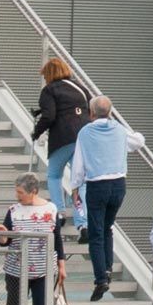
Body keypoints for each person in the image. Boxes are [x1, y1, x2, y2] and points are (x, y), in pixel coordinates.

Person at [73, 96, 140, 301]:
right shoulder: (119, 130)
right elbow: (138, 141)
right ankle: (108, 268)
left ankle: (101, 277)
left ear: (91, 113)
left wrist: (75, 187)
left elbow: (79, 162)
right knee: (108, 226)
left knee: (96, 233)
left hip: (97, 184)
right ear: (110, 112)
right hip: (118, 184)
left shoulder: (85, 132)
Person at [0, 173, 60, 305]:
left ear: (33, 192)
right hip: (17, 269)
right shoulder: (14, 210)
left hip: (45, 269)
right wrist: (2, 235)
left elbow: (56, 238)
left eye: (21, 192)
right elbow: (4, 240)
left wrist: (62, 264)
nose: (18, 196)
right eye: (16, 191)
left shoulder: (51, 209)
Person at [32, 57, 92, 199]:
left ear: (49, 74)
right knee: (79, 180)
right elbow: (88, 108)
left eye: (45, 75)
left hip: (62, 138)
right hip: (82, 138)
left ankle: (59, 211)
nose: (45, 79)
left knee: (54, 175)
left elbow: (49, 116)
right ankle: (81, 217)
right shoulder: (80, 88)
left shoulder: (49, 90)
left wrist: (36, 132)